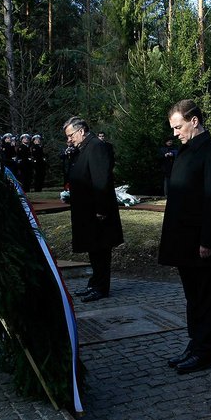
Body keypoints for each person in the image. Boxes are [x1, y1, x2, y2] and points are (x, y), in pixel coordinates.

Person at [159, 99, 211, 375]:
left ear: (194, 121)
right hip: (182, 240)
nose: (175, 133)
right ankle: (194, 343)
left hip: (200, 242)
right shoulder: (185, 151)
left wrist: (207, 240)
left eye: (178, 127)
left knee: (205, 297)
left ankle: (204, 352)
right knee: (193, 297)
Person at [63, 116, 124, 303]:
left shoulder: (96, 146)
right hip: (86, 210)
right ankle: (94, 283)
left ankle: (100, 287)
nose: (69, 139)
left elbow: (101, 180)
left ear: (81, 131)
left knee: (101, 249)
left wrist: (101, 209)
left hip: (97, 211)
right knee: (93, 248)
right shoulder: (82, 148)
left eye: (70, 135)